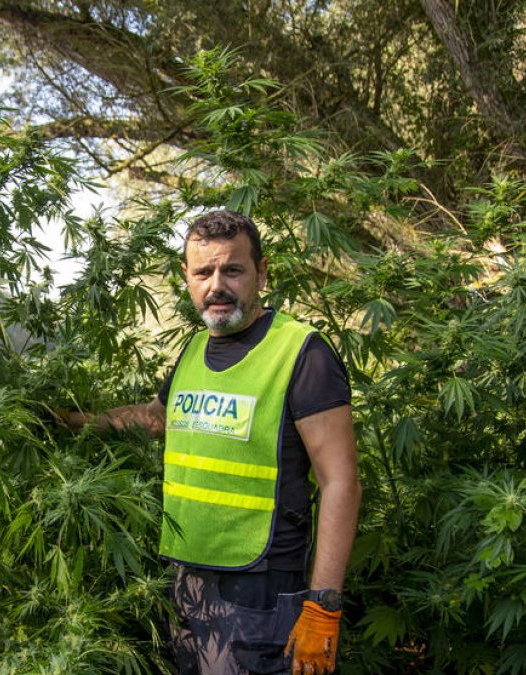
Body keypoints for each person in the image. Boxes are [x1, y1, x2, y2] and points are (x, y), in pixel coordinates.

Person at [60, 211, 361, 674]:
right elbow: (155, 419)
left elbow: (340, 482)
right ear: (187, 277)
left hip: (260, 588)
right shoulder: (195, 350)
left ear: (261, 272)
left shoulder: (301, 353)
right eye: (203, 272)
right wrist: (69, 421)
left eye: (232, 270)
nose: (216, 285)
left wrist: (323, 606)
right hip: (187, 580)